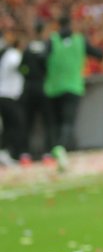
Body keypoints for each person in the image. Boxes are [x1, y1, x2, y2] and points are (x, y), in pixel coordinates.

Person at [44, 14, 103, 169]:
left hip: (53, 87)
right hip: (73, 86)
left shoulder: (52, 40)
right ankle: (61, 149)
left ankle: (54, 150)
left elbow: (41, 58)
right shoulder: (79, 40)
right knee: (68, 122)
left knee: (55, 122)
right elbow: (99, 54)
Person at [19, 21, 55, 163]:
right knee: (47, 122)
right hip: (43, 88)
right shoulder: (47, 47)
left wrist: (27, 74)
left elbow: (21, 68)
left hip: (29, 88)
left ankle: (25, 153)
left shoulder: (28, 48)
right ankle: (47, 153)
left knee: (28, 122)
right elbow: (50, 67)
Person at [0, 26, 25, 167]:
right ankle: (9, 152)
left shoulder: (6, 54)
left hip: (5, 94)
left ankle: (5, 152)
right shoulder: (13, 54)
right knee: (15, 125)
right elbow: (19, 66)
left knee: (9, 125)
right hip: (8, 95)